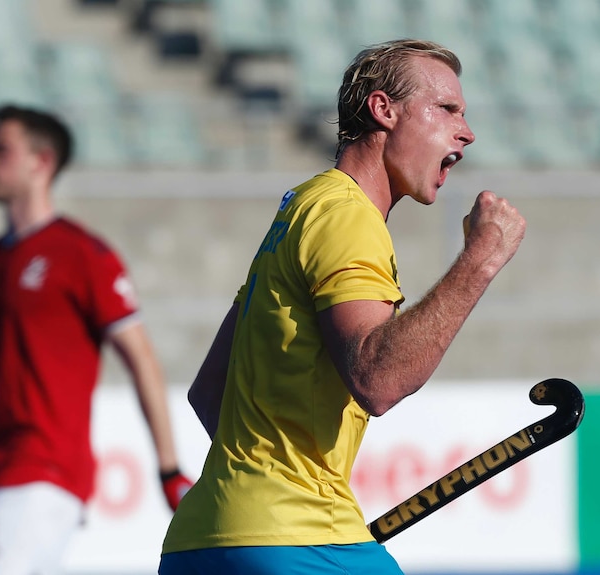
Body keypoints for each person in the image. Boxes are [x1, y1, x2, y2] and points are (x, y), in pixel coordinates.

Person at [158, 39, 527, 575]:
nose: (466, 131)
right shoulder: (349, 216)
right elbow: (378, 378)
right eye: (447, 109)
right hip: (291, 541)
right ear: (384, 109)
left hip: (204, 540)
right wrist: (480, 261)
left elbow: (208, 391)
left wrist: (275, 486)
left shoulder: (303, 207)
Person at [0, 105, 193, 575]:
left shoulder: (82, 253)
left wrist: (168, 468)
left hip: (46, 470)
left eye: (0, 149)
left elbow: (141, 358)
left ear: (40, 163)